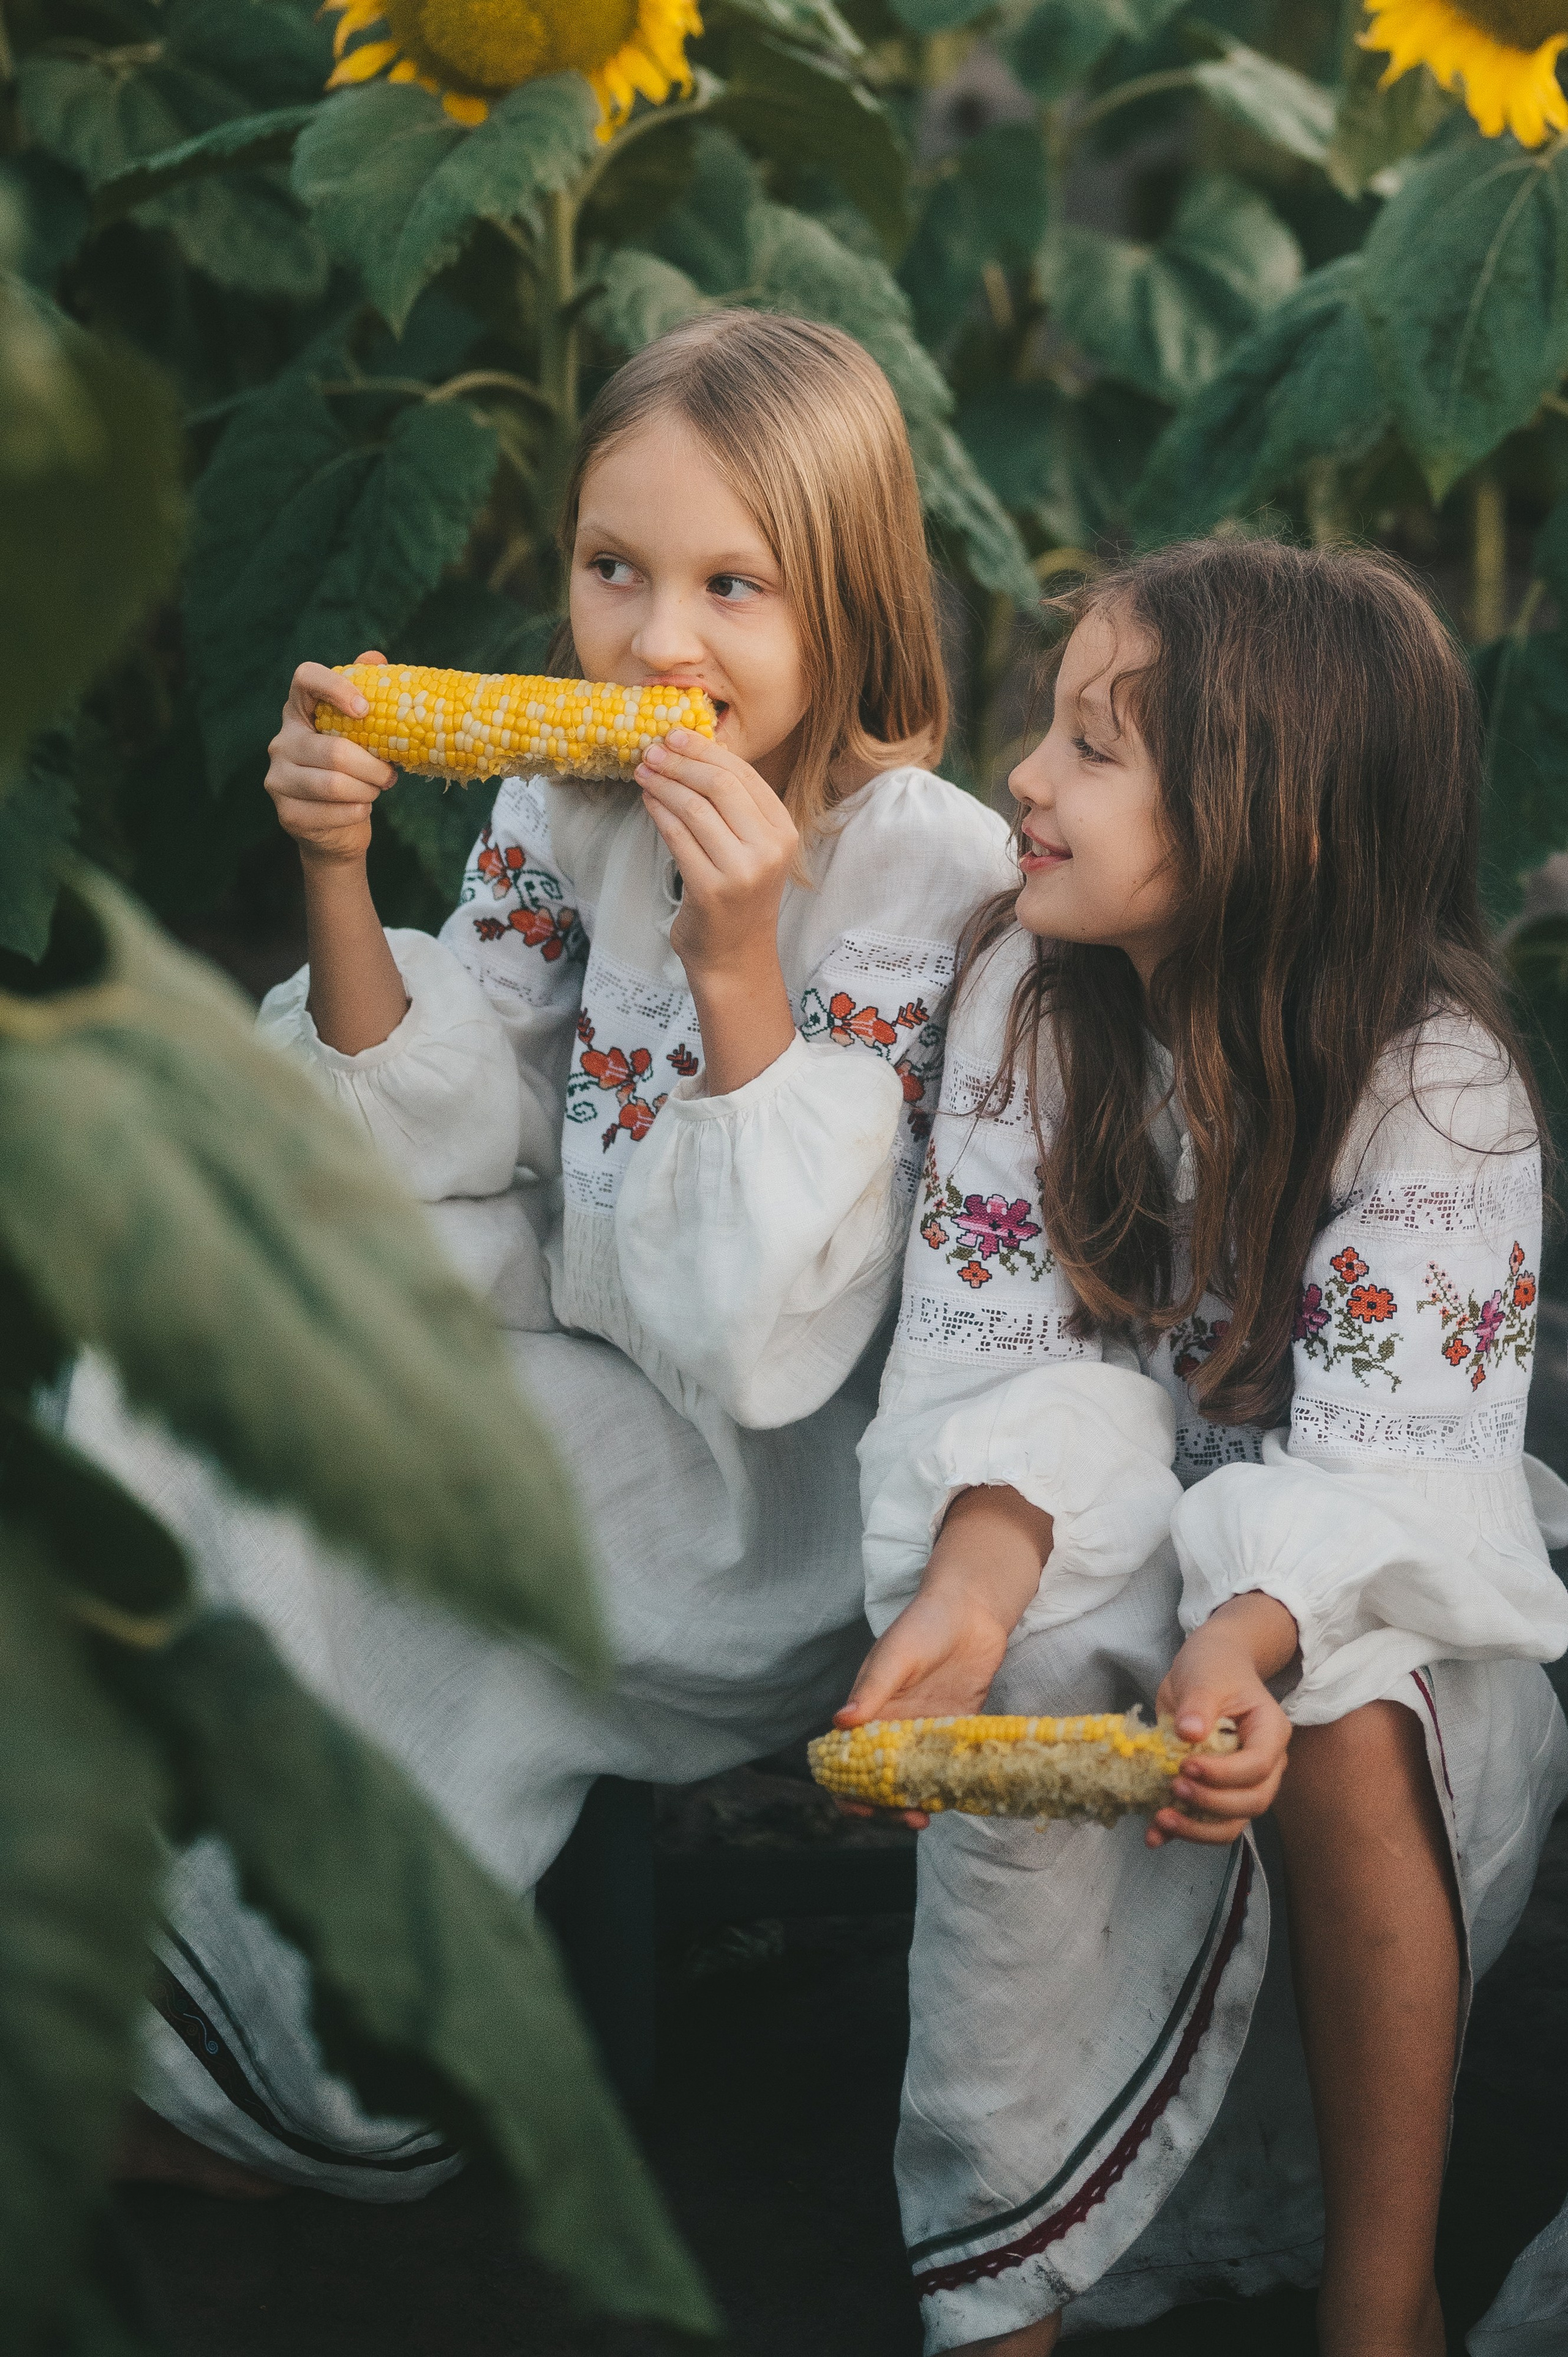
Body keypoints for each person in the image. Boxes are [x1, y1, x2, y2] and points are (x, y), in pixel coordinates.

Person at [81, 309, 1016, 2195]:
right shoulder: (556, 804)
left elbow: (780, 1336)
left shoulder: (938, 872)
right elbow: (449, 1111)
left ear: (848, 604)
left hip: (766, 1490)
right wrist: (338, 873)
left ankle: (320, 2076)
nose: (657, 640)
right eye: (614, 569)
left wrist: (739, 960)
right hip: (576, 1352)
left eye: (733, 585)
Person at [842, 538, 1568, 2356]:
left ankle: (1379, 2294)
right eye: (1050, 729)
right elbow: (998, 1358)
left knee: (1343, 1714)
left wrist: (1249, 1632)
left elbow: (1405, 1479)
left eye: (1095, 748)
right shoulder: (1032, 1001)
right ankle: (1003, 2279)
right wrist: (968, 1580)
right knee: (1034, 1669)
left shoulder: (1434, 1084)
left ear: (1277, 824)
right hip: (1093, 1525)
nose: (1025, 775)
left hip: (1383, 1580)